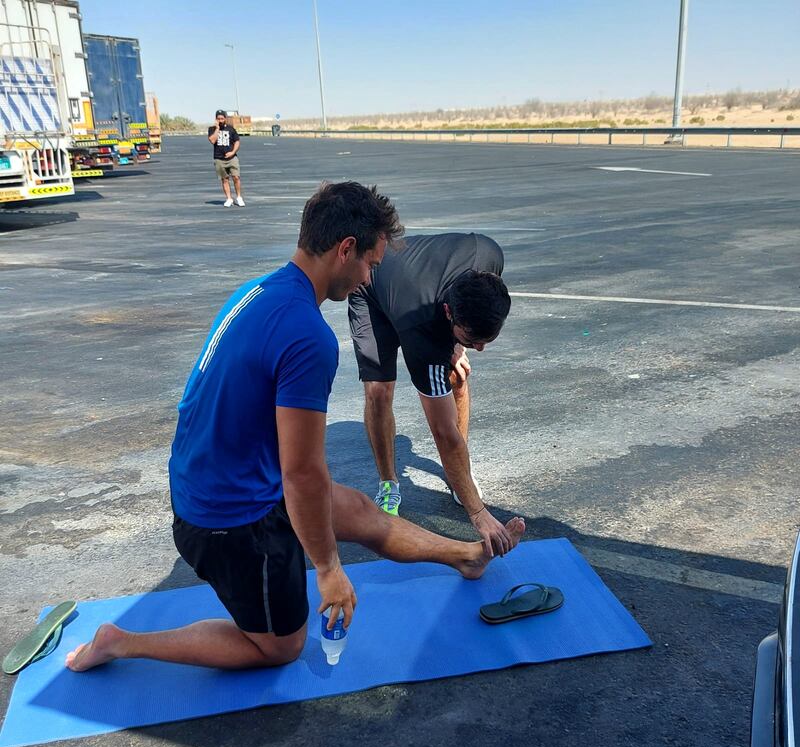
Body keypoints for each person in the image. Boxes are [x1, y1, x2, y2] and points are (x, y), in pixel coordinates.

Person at [65, 183, 525, 673]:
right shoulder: (308, 337)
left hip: (213, 475)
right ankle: (120, 641)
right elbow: (302, 474)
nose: (370, 276)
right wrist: (328, 569)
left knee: (361, 512)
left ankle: (466, 556)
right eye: (371, 263)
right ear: (345, 249)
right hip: (227, 519)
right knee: (279, 648)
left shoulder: (261, 290)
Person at [348, 233, 515, 558]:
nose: (478, 347)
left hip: (419, 284)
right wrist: (478, 514)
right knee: (379, 392)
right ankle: (388, 483)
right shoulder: (420, 331)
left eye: (487, 339)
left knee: (458, 374)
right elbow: (442, 432)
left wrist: (456, 343)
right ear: (449, 313)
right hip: (371, 292)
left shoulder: (490, 254)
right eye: (472, 338)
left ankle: (459, 477)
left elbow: (470, 325)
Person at [208, 109, 244, 208]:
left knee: (236, 177)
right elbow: (212, 140)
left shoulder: (231, 129)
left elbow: (237, 141)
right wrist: (217, 129)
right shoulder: (212, 129)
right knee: (225, 179)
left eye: (222, 118)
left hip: (232, 158)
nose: (220, 120)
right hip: (219, 158)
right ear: (216, 119)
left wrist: (233, 152)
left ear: (225, 118)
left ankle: (239, 197)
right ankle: (229, 198)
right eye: (218, 118)